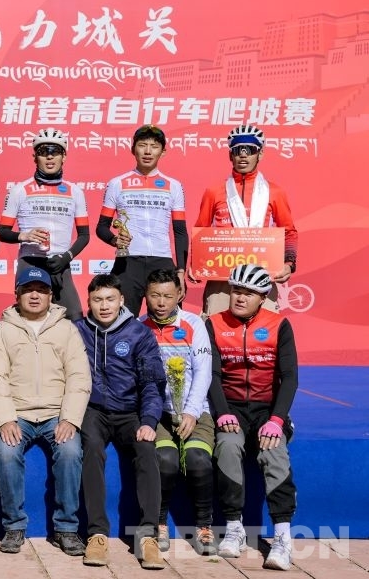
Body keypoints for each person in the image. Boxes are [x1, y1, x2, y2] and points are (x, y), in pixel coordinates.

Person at [0, 266, 91, 555]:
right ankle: (14, 526)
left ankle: (66, 528)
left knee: (70, 452)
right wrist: (5, 419)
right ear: (17, 294)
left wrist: (70, 418)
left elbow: (79, 377)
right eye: (28, 290)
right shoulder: (3, 331)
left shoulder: (67, 329)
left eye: (41, 290)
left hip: (56, 413)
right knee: (6, 453)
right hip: (18, 413)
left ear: (51, 295)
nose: (35, 296)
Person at [205, 264, 298, 570]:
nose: (240, 298)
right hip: (231, 408)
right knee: (228, 447)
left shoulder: (279, 324)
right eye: (236, 291)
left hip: (267, 409)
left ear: (262, 297)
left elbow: (290, 377)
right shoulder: (214, 323)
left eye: (248, 293)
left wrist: (277, 420)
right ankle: (234, 527)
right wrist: (221, 412)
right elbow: (212, 375)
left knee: (273, 452)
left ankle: (282, 538)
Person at [75, 273, 166, 570]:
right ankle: (97, 534)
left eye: (110, 299)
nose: (104, 306)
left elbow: (152, 383)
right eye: (98, 300)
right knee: (90, 449)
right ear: (89, 302)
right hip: (93, 411)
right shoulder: (77, 331)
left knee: (146, 450)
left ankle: (148, 535)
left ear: (122, 300)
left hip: (130, 412)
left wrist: (149, 420)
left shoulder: (139, 334)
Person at [139, 269, 216, 555]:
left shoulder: (194, 324)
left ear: (179, 295)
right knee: (166, 460)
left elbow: (203, 372)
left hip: (195, 410)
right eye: (155, 295)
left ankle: (204, 525)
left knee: (198, 459)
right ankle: (159, 524)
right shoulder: (139, 326)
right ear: (146, 295)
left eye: (168, 296)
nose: (161, 302)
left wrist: (192, 412)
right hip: (158, 413)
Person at [192, 125, 299, 315]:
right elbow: (200, 231)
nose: (243, 155)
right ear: (230, 155)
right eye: (237, 150)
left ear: (260, 154)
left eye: (249, 150)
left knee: (264, 331)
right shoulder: (214, 191)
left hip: (261, 275)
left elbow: (289, 232)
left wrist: (289, 264)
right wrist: (195, 263)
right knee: (215, 328)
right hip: (222, 278)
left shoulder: (275, 192)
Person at [96, 125, 188, 316]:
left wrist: (180, 271)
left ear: (163, 151)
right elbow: (102, 227)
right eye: (142, 145)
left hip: (162, 261)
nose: (147, 151)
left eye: (154, 146)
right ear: (133, 149)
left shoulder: (173, 185)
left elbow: (180, 231)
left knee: (170, 322)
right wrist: (114, 240)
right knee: (123, 322)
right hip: (128, 263)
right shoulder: (117, 183)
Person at [0, 129, 89, 321]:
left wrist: (66, 258)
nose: (49, 156)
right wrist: (23, 236)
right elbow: (2, 232)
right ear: (35, 157)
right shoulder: (19, 190)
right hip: (30, 261)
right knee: (27, 319)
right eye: (43, 151)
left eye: (55, 151)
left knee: (74, 319)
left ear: (64, 156)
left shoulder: (75, 191)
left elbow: (84, 236)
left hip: (61, 262)